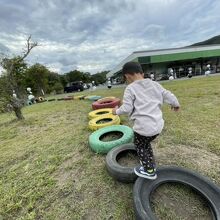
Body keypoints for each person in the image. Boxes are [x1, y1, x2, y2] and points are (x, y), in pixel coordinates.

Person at [112, 62, 180, 180]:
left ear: (127, 76)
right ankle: (150, 162)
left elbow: (127, 108)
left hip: (143, 128)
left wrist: (116, 111)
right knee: (146, 143)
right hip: (158, 126)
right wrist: (175, 103)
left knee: (139, 145)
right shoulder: (155, 84)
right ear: (142, 73)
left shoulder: (130, 88)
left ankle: (149, 171)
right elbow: (167, 94)